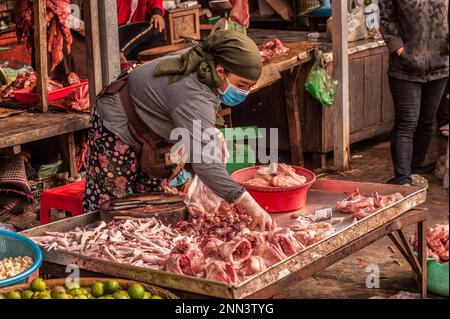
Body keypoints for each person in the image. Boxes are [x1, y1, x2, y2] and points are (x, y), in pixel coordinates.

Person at [83, 30, 274, 231]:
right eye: (242, 85)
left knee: (153, 204)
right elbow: (206, 164)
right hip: (117, 123)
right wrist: (249, 204)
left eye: (250, 87)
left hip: (149, 129)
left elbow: (197, 115)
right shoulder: (193, 90)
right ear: (219, 71)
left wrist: (211, 133)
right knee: (113, 208)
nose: (245, 92)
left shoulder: (207, 72)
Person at [380, 0, 449, 185]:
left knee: (426, 122)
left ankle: (414, 167)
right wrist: (400, 50)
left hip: (439, 66)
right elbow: (386, 18)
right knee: (407, 122)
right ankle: (402, 177)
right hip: (405, 69)